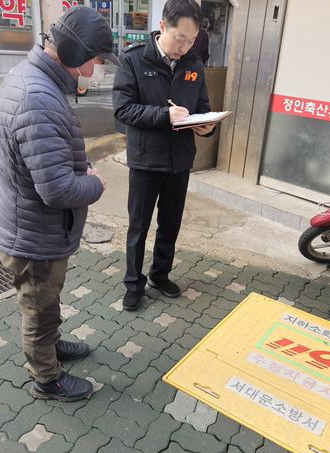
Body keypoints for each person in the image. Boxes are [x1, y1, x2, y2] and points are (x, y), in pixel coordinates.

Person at [0, 6, 119, 402]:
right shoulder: (38, 98)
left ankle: (51, 345)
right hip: (35, 235)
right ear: (76, 54)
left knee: (46, 300)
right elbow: (58, 190)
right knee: (39, 308)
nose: (97, 68)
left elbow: (48, 159)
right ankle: (46, 379)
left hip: (33, 226)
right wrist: (94, 183)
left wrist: (78, 166)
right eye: (96, 59)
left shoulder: (33, 79)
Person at [113, 0, 215, 311]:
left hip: (180, 161)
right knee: (139, 227)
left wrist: (206, 126)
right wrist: (163, 115)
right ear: (162, 27)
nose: (184, 47)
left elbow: (203, 108)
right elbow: (123, 110)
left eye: (191, 40)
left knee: (170, 224)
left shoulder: (194, 65)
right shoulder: (133, 60)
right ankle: (134, 284)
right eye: (180, 38)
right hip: (146, 161)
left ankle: (160, 275)